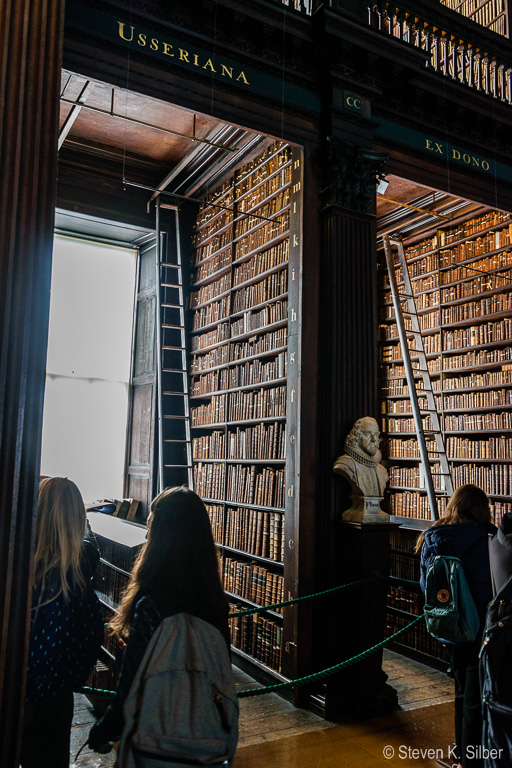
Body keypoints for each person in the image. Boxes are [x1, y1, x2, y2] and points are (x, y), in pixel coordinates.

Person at [87, 485, 230, 754]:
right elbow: (221, 671)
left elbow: (132, 682)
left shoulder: (153, 602)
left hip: (157, 733)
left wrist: (104, 732)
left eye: (151, 528)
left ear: (161, 536)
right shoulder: (215, 600)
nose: (146, 534)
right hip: (203, 732)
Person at [20, 476, 103, 768]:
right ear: (77, 520)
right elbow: (92, 638)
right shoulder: (79, 571)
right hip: (57, 694)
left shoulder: (20, 568)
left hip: (17, 693)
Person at [417, 484, 496, 768]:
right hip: (479, 630)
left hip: (448, 629)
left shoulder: (432, 537)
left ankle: (462, 754)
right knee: (477, 696)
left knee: (462, 692)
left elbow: (425, 586)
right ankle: (472, 760)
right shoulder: (487, 539)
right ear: (479, 508)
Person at [333, 416, 389, 521]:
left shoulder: (382, 470)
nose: (374, 439)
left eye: (376, 435)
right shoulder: (345, 464)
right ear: (357, 437)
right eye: (368, 434)